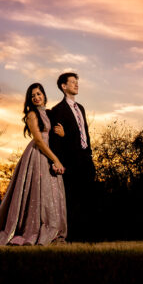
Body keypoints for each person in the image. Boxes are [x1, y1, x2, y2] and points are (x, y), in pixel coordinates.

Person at [0, 83, 67, 246]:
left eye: (39, 94)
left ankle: (54, 232)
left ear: (44, 95)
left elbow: (54, 136)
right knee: (36, 191)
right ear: (29, 99)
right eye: (33, 95)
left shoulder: (48, 114)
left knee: (52, 193)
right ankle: (29, 229)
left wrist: (62, 134)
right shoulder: (31, 115)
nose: (36, 97)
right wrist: (55, 159)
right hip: (38, 154)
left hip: (48, 152)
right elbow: (39, 141)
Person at [47, 71, 95, 239]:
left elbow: (84, 133)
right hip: (71, 161)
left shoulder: (80, 108)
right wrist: (58, 163)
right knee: (72, 200)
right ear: (64, 86)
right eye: (73, 82)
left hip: (86, 158)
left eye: (77, 82)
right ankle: (72, 236)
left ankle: (89, 236)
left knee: (89, 197)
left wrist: (89, 153)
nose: (76, 84)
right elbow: (57, 141)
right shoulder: (58, 110)